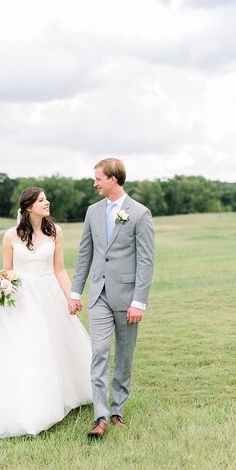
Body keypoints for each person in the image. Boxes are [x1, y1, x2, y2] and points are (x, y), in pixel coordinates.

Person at [0, 187, 92, 438]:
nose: (47, 203)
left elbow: (61, 271)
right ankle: (28, 406)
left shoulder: (55, 232)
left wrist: (72, 297)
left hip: (49, 295)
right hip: (23, 300)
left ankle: (60, 396)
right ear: (28, 206)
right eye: (42, 200)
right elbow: (8, 273)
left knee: (53, 346)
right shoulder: (10, 236)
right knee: (28, 348)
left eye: (46, 199)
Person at [68, 158, 155, 439]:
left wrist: (138, 302)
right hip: (98, 297)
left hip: (128, 297)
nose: (94, 183)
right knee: (100, 353)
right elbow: (85, 255)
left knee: (125, 357)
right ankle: (101, 416)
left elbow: (146, 261)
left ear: (113, 180)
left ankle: (118, 408)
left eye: (98, 179)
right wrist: (74, 291)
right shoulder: (92, 212)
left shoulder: (140, 214)